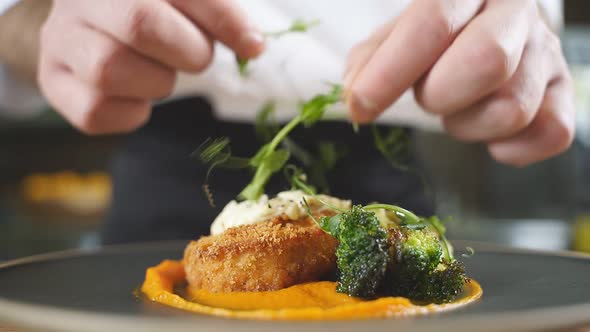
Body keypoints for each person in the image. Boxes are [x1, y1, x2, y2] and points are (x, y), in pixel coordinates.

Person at [0, 0, 573, 243]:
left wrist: (522, 35)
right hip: (167, 157)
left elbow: (525, 17)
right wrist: (35, 21)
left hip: (394, 167)